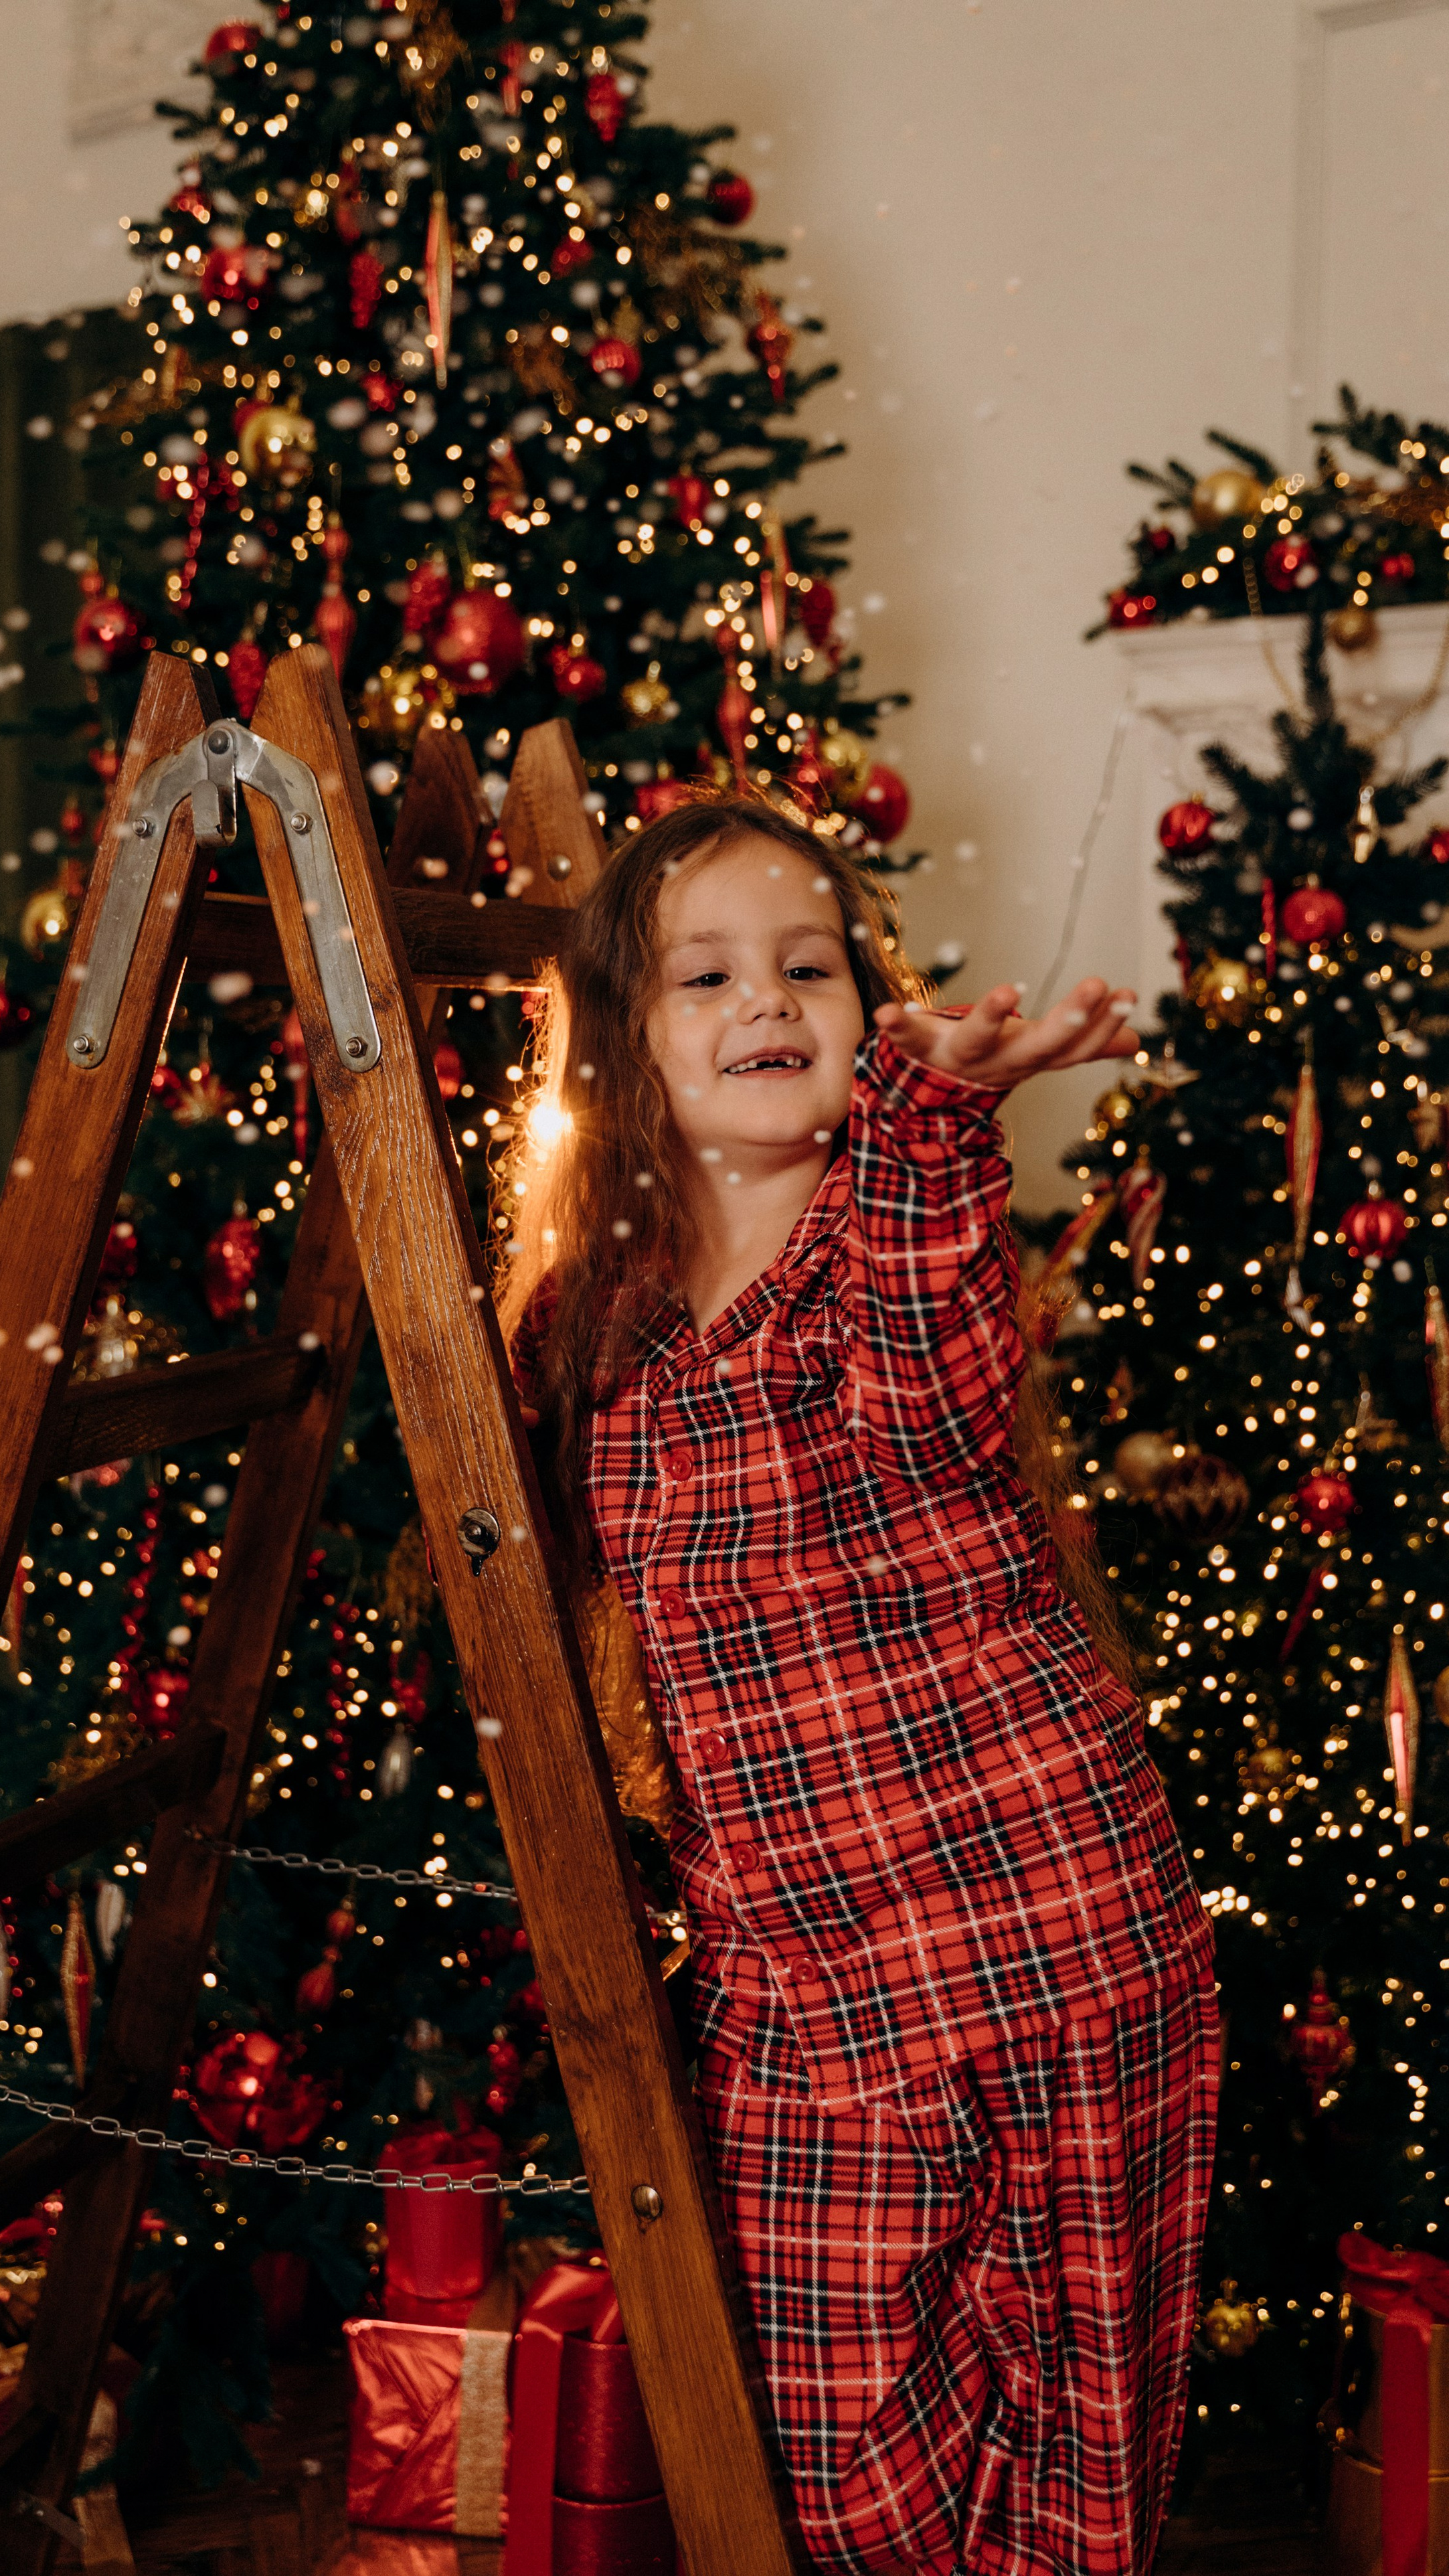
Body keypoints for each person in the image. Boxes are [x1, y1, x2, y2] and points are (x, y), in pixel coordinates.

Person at [495, 795, 1217, 2576]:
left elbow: (929, 1321)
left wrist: (945, 1108)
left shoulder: (885, 1256)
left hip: (1066, 1941)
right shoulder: (600, 1315)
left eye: (808, 966)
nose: (770, 1001)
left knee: (1075, 2467)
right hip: (818, 2006)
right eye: (711, 975)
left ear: (864, 1013)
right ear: (631, 1048)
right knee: (845, 2470)